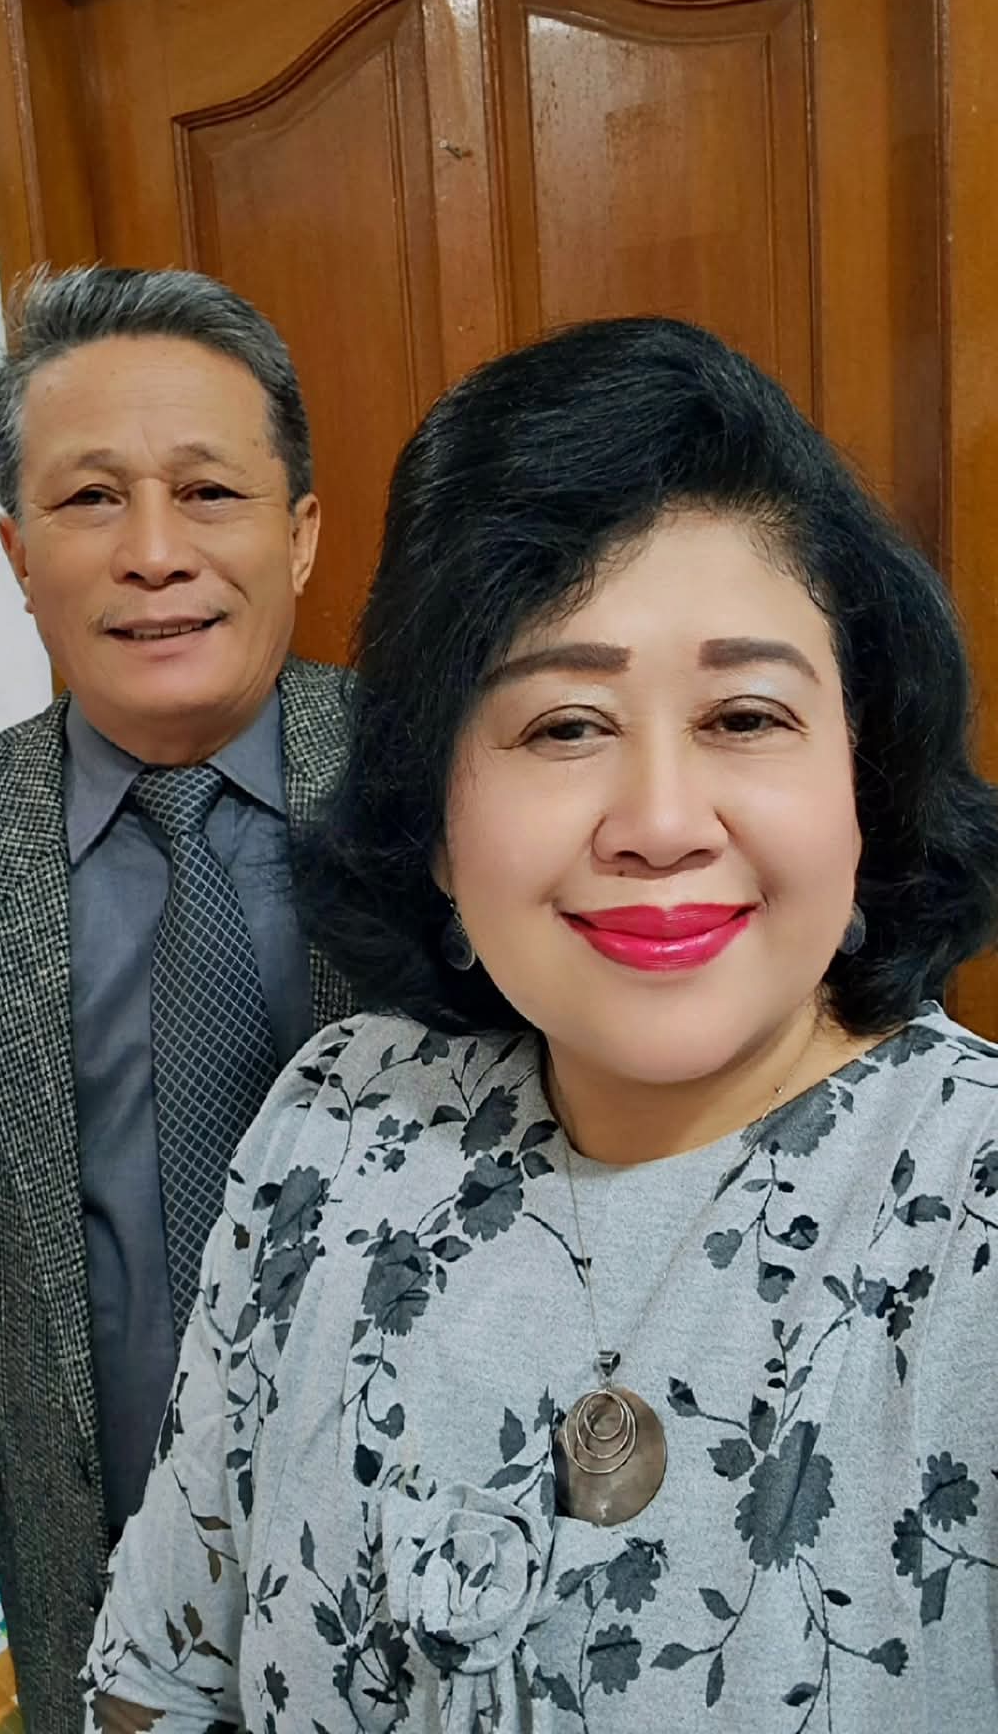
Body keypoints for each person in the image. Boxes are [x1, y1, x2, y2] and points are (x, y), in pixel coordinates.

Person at [85, 318, 998, 1733]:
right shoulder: (338, 1120)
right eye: (564, 725)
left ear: (863, 782)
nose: (660, 824)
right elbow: (161, 1671)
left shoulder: (969, 1220)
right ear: (437, 826)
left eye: (745, 717)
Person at [0, 265, 356, 1733]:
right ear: (16, 552)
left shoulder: (458, 794)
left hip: (426, 1558)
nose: (154, 554)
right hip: (83, 1571)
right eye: (91, 499)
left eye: (210, 493)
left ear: (301, 533)